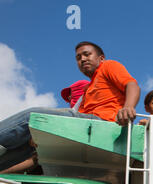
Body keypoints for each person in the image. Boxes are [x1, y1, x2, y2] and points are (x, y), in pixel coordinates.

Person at [0, 41, 140, 173]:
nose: (82, 59)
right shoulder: (87, 90)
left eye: (87, 54)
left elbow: (131, 84)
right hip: (86, 127)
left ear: (101, 58)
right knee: (31, 144)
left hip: (102, 122)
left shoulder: (109, 66)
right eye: (78, 57)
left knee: (32, 116)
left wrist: (128, 107)